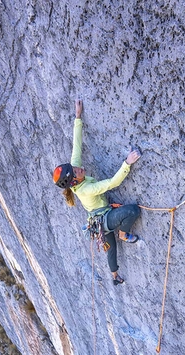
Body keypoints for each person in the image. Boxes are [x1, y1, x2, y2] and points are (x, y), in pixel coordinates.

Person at [53, 100, 141, 285]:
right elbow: (112, 183)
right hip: (104, 218)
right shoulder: (85, 189)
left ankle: (115, 277)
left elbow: (76, 145)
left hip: (98, 219)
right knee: (132, 211)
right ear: (74, 181)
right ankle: (124, 234)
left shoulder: (74, 172)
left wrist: (77, 116)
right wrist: (127, 163)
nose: (79, 168)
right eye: (76, 171)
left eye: (75, 168)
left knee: (111, 248)